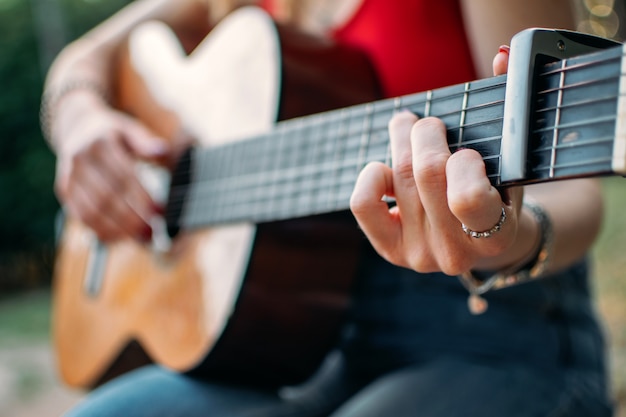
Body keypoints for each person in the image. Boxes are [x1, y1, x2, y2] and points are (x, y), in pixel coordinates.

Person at [42, 0, 614, 415]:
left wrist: (505, 240)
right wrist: (78, 115)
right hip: (305, 336)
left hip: (498, 339)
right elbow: (86, 56)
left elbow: (574, 187)